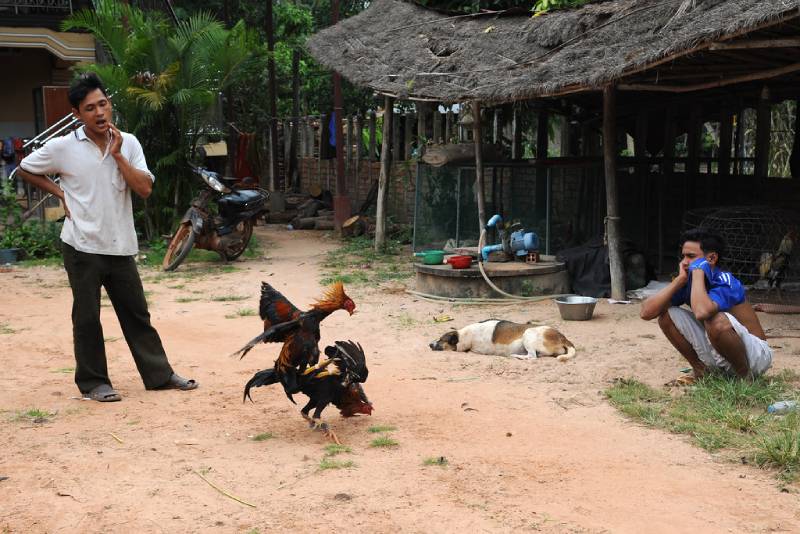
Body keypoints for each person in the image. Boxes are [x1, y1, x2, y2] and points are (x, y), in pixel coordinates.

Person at [17, 72, 198, 402]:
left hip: (120, 244)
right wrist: (59, 192)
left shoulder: (128, 143)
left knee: (137, 314)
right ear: (77, 114)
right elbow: (26, 167)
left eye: (103, 104)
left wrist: (117, 155)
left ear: (109, 105)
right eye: (89, 108)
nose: (99, 113)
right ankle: (93, 382)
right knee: (87, 316)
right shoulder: (62, 147)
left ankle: (159, 374)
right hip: (81, 245)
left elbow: (143, 188)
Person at [640, 228, 772, 384]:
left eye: (691, 256)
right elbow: (646, 313)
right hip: (721, 348)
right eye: (683, 256)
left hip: (755, 356)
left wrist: (697, 273)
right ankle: (702, 371)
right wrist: (679, 281)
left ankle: (745, 378)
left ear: (712, 258)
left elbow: (702, 312)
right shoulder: (687, 281)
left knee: (714, 319)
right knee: (667, 315)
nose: (684, 262)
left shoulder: (726, 281)